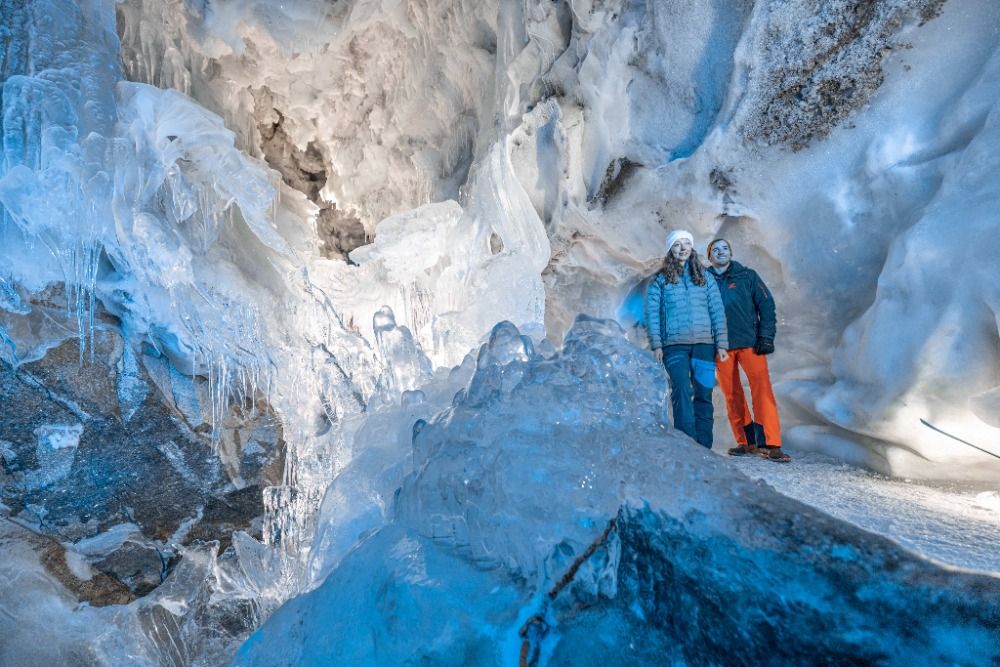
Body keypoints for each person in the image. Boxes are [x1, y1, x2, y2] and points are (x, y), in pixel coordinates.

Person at [706, 238, 790, 462]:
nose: (721, 252)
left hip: (750, 343)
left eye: (725, 248)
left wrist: (765, 336)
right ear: (709, 256)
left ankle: (771, 444)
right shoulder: (703, 281)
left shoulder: (748, 276)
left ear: (731, 252)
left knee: (761, 389)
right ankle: (746, 442)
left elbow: (766, 304)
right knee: (732, 393)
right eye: (716, 250)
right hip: (721, 347)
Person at [645, 230, 729, 449]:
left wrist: (721, 344)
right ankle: (688, 447)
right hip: (674, 347)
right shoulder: (660, 281)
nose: (682, 248)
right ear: (669, 250)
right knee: (681, 391)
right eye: (676, 245)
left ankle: (704, 448)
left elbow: (717, 312)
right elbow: (652, 314)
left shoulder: (706, 278)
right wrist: (657, 344)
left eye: (686, 244)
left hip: (704, 345)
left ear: (692, 247)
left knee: (703, 394)